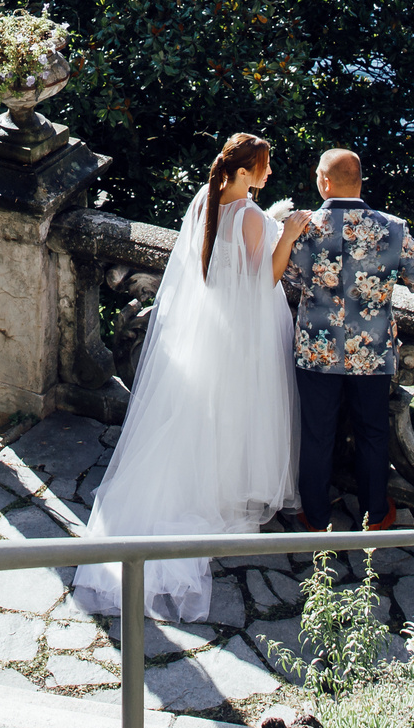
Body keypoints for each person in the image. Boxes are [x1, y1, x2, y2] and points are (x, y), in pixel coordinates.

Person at [70, 132, 299, 621]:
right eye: (263, 167)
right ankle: (220, 494)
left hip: (208, 327)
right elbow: (265, 278)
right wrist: (292, 232)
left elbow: (218, 263)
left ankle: (200, 488)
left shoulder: (205, 203)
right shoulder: (252, 215)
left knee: (200, 414)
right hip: (240, 331)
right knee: (234, 411)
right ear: (242, 173)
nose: (269, 174)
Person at [279, 148, 414, 531]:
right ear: (360, 181)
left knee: (316, 434)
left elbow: (290, 279)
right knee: (373, 432)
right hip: (372, 351)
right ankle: (375, 514)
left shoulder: (305, 228)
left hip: (317, 351)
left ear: (325, 182)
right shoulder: (393, 227)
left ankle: (315, 518)